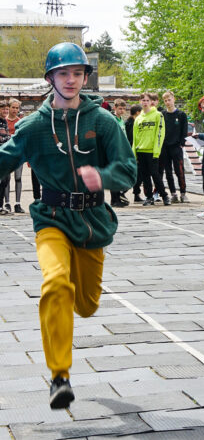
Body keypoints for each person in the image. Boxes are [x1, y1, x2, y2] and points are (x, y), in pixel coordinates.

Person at [0, 42, 136, 408]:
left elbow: (128, 170)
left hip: (92, 221)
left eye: (78, 73)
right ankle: (59, 376)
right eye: (64, 73)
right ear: (50, 78)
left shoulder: (103, 122)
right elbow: (3, 159)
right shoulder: (32, 126)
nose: (72, 79)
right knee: (55, 283)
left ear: (85, 77)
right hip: (51, 219)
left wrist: (103, 177)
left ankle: (73, 304)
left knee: (88, 305)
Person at [132, 93, 170, 206]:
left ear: (151, 102)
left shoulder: (158, 115)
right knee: (145, 176)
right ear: (140, 102)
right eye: (143, 100)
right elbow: (135, 137)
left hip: (152, 151)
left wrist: (156, 150)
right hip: (141, 151)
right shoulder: (138, 118)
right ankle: (149, 197)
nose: (145, 102)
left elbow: (160, 134)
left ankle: (164, 195)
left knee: (155, 174)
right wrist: (134, 153)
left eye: (147, 100)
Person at [160, 91, 189, 203]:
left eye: (169, 99)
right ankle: (173, 193)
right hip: (165, 147)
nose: (168, 102)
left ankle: (183, 193)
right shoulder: (162, 114)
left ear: (174, 99)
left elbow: (184, 131)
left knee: (179, 171)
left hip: (176, 147)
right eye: (165, 100)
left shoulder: (181, 115)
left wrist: (182, 143)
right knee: (168, 172)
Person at [110, 99, 130, 208]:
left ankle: (118, 197)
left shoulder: (122, 120)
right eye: (120, 108)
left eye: (123, 109)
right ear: (115, 108)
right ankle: (115, 199)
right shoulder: (112, 119)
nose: (122, 111)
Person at [124, 104, 143, 202]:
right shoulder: (131, 123)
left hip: (133, 150)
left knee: (138, 174)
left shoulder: (130, 122)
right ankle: (123, 191)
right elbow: (132, 138)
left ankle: (136, 193)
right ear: (137, 112)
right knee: (136, 174)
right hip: (133, 151)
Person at [0, 102, 10, 215]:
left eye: (6, 109)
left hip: (5, 154)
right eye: (3, 109)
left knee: (5, 181)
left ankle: (0, 206)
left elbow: (6, 138)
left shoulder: (4, 122)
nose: (5, 112)